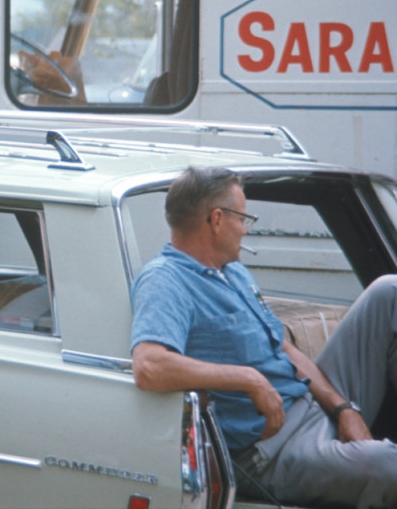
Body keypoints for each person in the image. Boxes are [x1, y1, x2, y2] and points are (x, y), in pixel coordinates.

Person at [130, 165, 397, 509]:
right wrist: (249, 379)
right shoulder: (165, 280)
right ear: (216, 220)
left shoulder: (234, 272)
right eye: (243, 218)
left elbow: (283, 348)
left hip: (309, 405)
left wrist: (344, 408)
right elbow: (149, 366)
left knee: (388, 292)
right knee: (389, 466)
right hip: (272, 449)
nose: (245, 229)